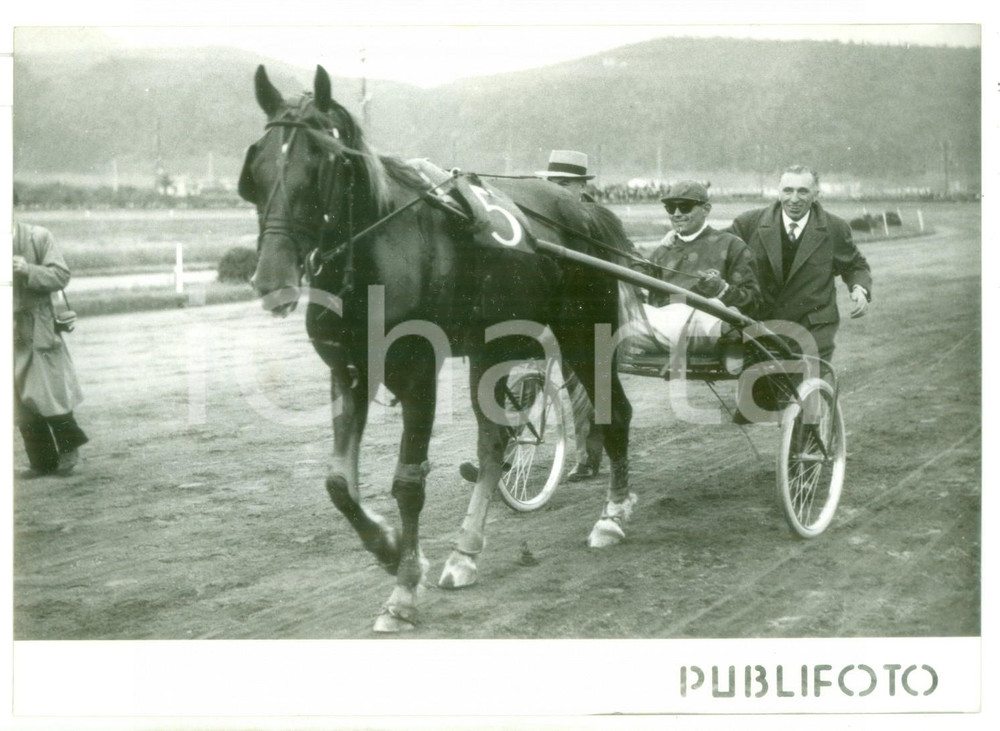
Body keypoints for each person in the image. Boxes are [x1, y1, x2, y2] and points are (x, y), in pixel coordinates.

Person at [727, 165, 872, 371]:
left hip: (814, 328)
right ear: (778, 192)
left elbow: (855, 265)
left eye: (802, 191)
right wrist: (680, 237)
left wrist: (859, 288)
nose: (794, 199)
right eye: (788, 190)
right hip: (763, 324)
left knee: (799, 386)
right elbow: (718, 248)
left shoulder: (834, 228)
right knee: (757, 395)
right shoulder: (749, 223)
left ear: (815, 195)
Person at [627, 179, 760, 354]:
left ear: (706, 209)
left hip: (703, 325)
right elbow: (643, 296)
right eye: (670, 207)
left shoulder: (732, 246)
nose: (676, 213)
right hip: (661, 328)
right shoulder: (662, 250)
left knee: (713, 307)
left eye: (685, 206)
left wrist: (722, 289)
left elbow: (754, 301)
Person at [13, 222, 89, 477]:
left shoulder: (39, 237)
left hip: (38, 328)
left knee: (50, 392)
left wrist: (28, 269)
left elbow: (61, 275)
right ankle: (41, 461)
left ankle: (69, 451)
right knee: (17, 400)